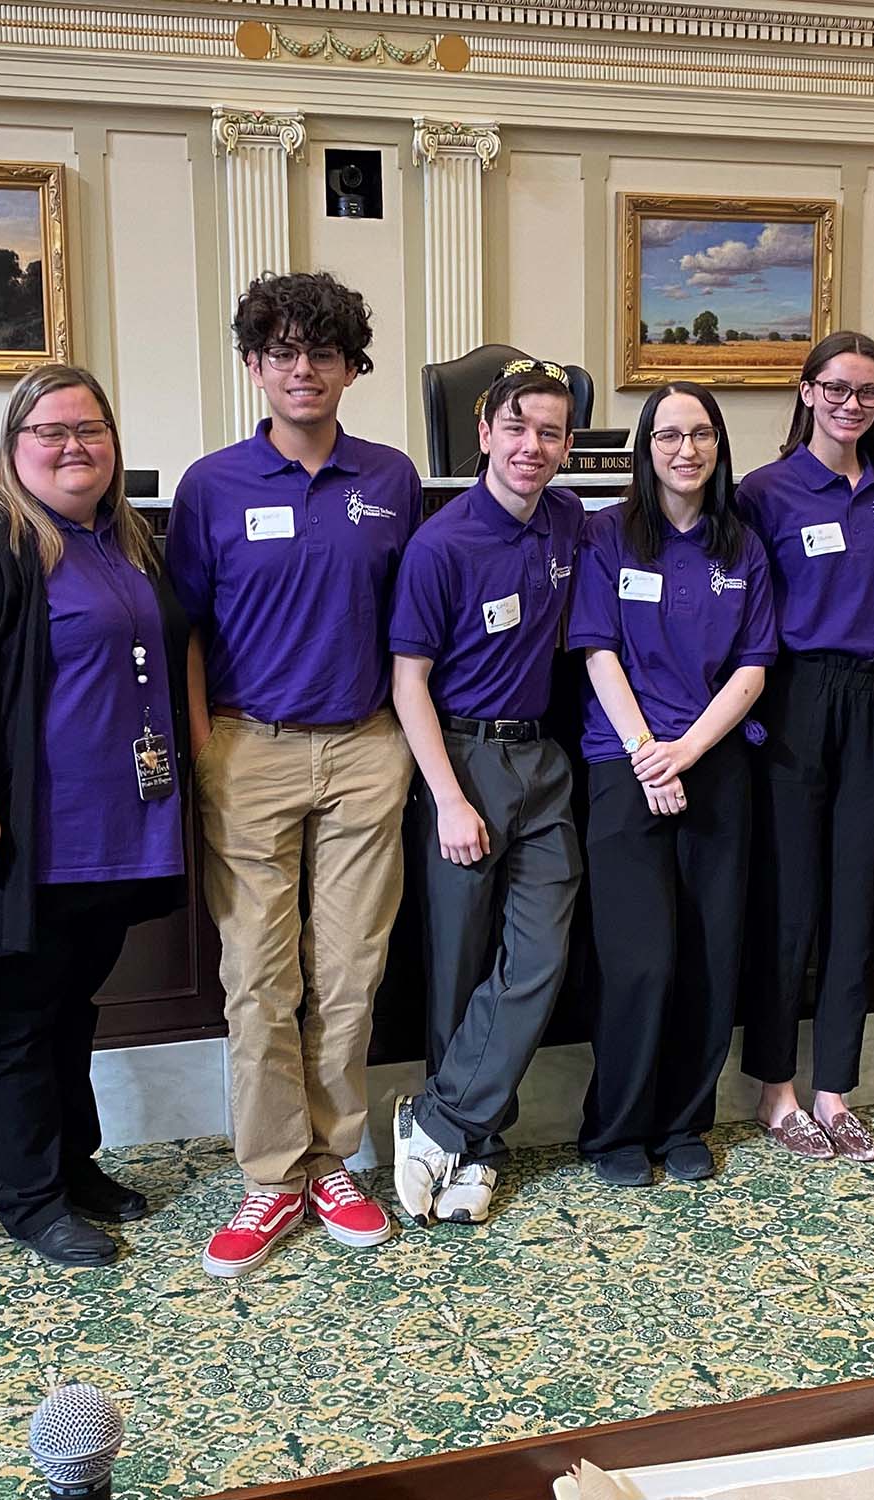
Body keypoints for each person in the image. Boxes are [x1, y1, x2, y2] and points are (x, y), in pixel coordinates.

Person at [0, 364, 191, 1265]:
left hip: (111, 832)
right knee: (15, 1017)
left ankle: (75, 1165)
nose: (74, 446)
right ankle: (30, 1200)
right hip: (24, 834)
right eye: (51, 431)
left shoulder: (123, 533)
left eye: (90, 430)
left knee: (72, 1006)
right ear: (14, 444)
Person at [167, 271, 421, 1278]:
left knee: (351, 973)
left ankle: (332, 1162)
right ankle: (272, 1175)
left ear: (350, 367)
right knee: (258, 979)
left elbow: (414, 628)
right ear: (253, 366)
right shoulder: (210, 486)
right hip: (248, 747)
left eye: (321, 352)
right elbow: (182, 627)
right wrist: (202, 745)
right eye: (281, 351)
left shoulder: (390, 478)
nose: (301, 369)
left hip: (365, 745)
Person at [389, 362, 585, 1226]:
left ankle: (434, 1123)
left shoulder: (571, 523)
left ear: (568, 445)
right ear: (485, 434)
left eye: (549, 432)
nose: (531, 447)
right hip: (461, 761)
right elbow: (408, 683)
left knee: (537, 957)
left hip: (542, 763)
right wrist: (449, 798)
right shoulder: (442, 542)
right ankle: (479, 1147)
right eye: (517, 428)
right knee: (460, 968)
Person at [571, 382, 776, 1185]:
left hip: (715, 760)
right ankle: (615, 1130)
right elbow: (597, 652)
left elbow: (755, 667)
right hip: (623, 762)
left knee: (708, 954)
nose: (684, 450)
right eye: (667, 436)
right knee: (639, 959)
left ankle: (687, 1120)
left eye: (700, 435)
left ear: (719, 447)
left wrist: (686, 750)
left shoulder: (743, 548)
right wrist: (647, 751)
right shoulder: (607, 535)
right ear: (644, 447)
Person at [736, 330, 874, 1162]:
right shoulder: (764, 492)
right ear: (807, 392)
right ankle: (775, 1089)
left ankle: (835, 1087)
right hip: (795, 699)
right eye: (837, 389)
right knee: (791, 902)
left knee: (857, 904)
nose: (851, 405)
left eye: (867, 393)